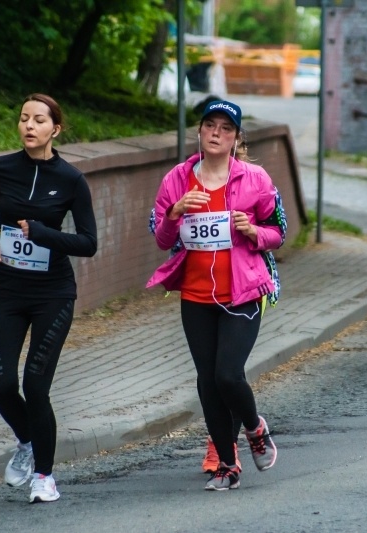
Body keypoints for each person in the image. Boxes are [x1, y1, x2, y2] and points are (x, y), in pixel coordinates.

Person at [147, 99, 286, 491]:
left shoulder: (255, 179)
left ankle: (255, 428)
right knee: (207, 382)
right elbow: (161, 239)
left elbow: (278, 232)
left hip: (243, 291)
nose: (216, 133)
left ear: (236, 138)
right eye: (210, 125)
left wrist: (253, 231)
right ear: (200, 131)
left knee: (228, 374)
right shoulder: (177, 178)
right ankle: (227, 464)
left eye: (226, 128)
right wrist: (174, 213)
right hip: (195, 295)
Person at [0, 93, 98, 503]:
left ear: (55, 129)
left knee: (37, 385)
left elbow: (88, 242)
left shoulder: (71, 180)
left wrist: (42, 233)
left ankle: (45, 476)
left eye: (39, 120)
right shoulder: (0, 169)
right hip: (8, 290)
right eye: (24, 118)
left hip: (53, 293)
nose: (29, 125)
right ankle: (26, 441)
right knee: (3, 383)